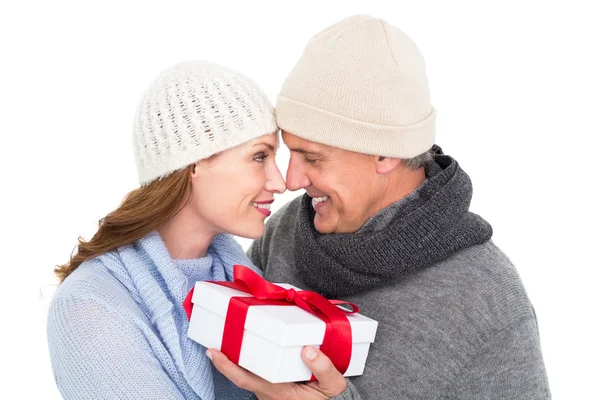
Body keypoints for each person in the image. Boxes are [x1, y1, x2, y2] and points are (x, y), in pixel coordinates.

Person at [208, 15, 551, 399]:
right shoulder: (287, 230)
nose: (291, 180)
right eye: (291, 152)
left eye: (313, 157)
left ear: (386, 153)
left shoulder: (485, 300)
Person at [47, 61, 287, 399]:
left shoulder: (247, 281)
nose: (280, 182)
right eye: (259, 156)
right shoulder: (91, 305)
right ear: (194, 163)